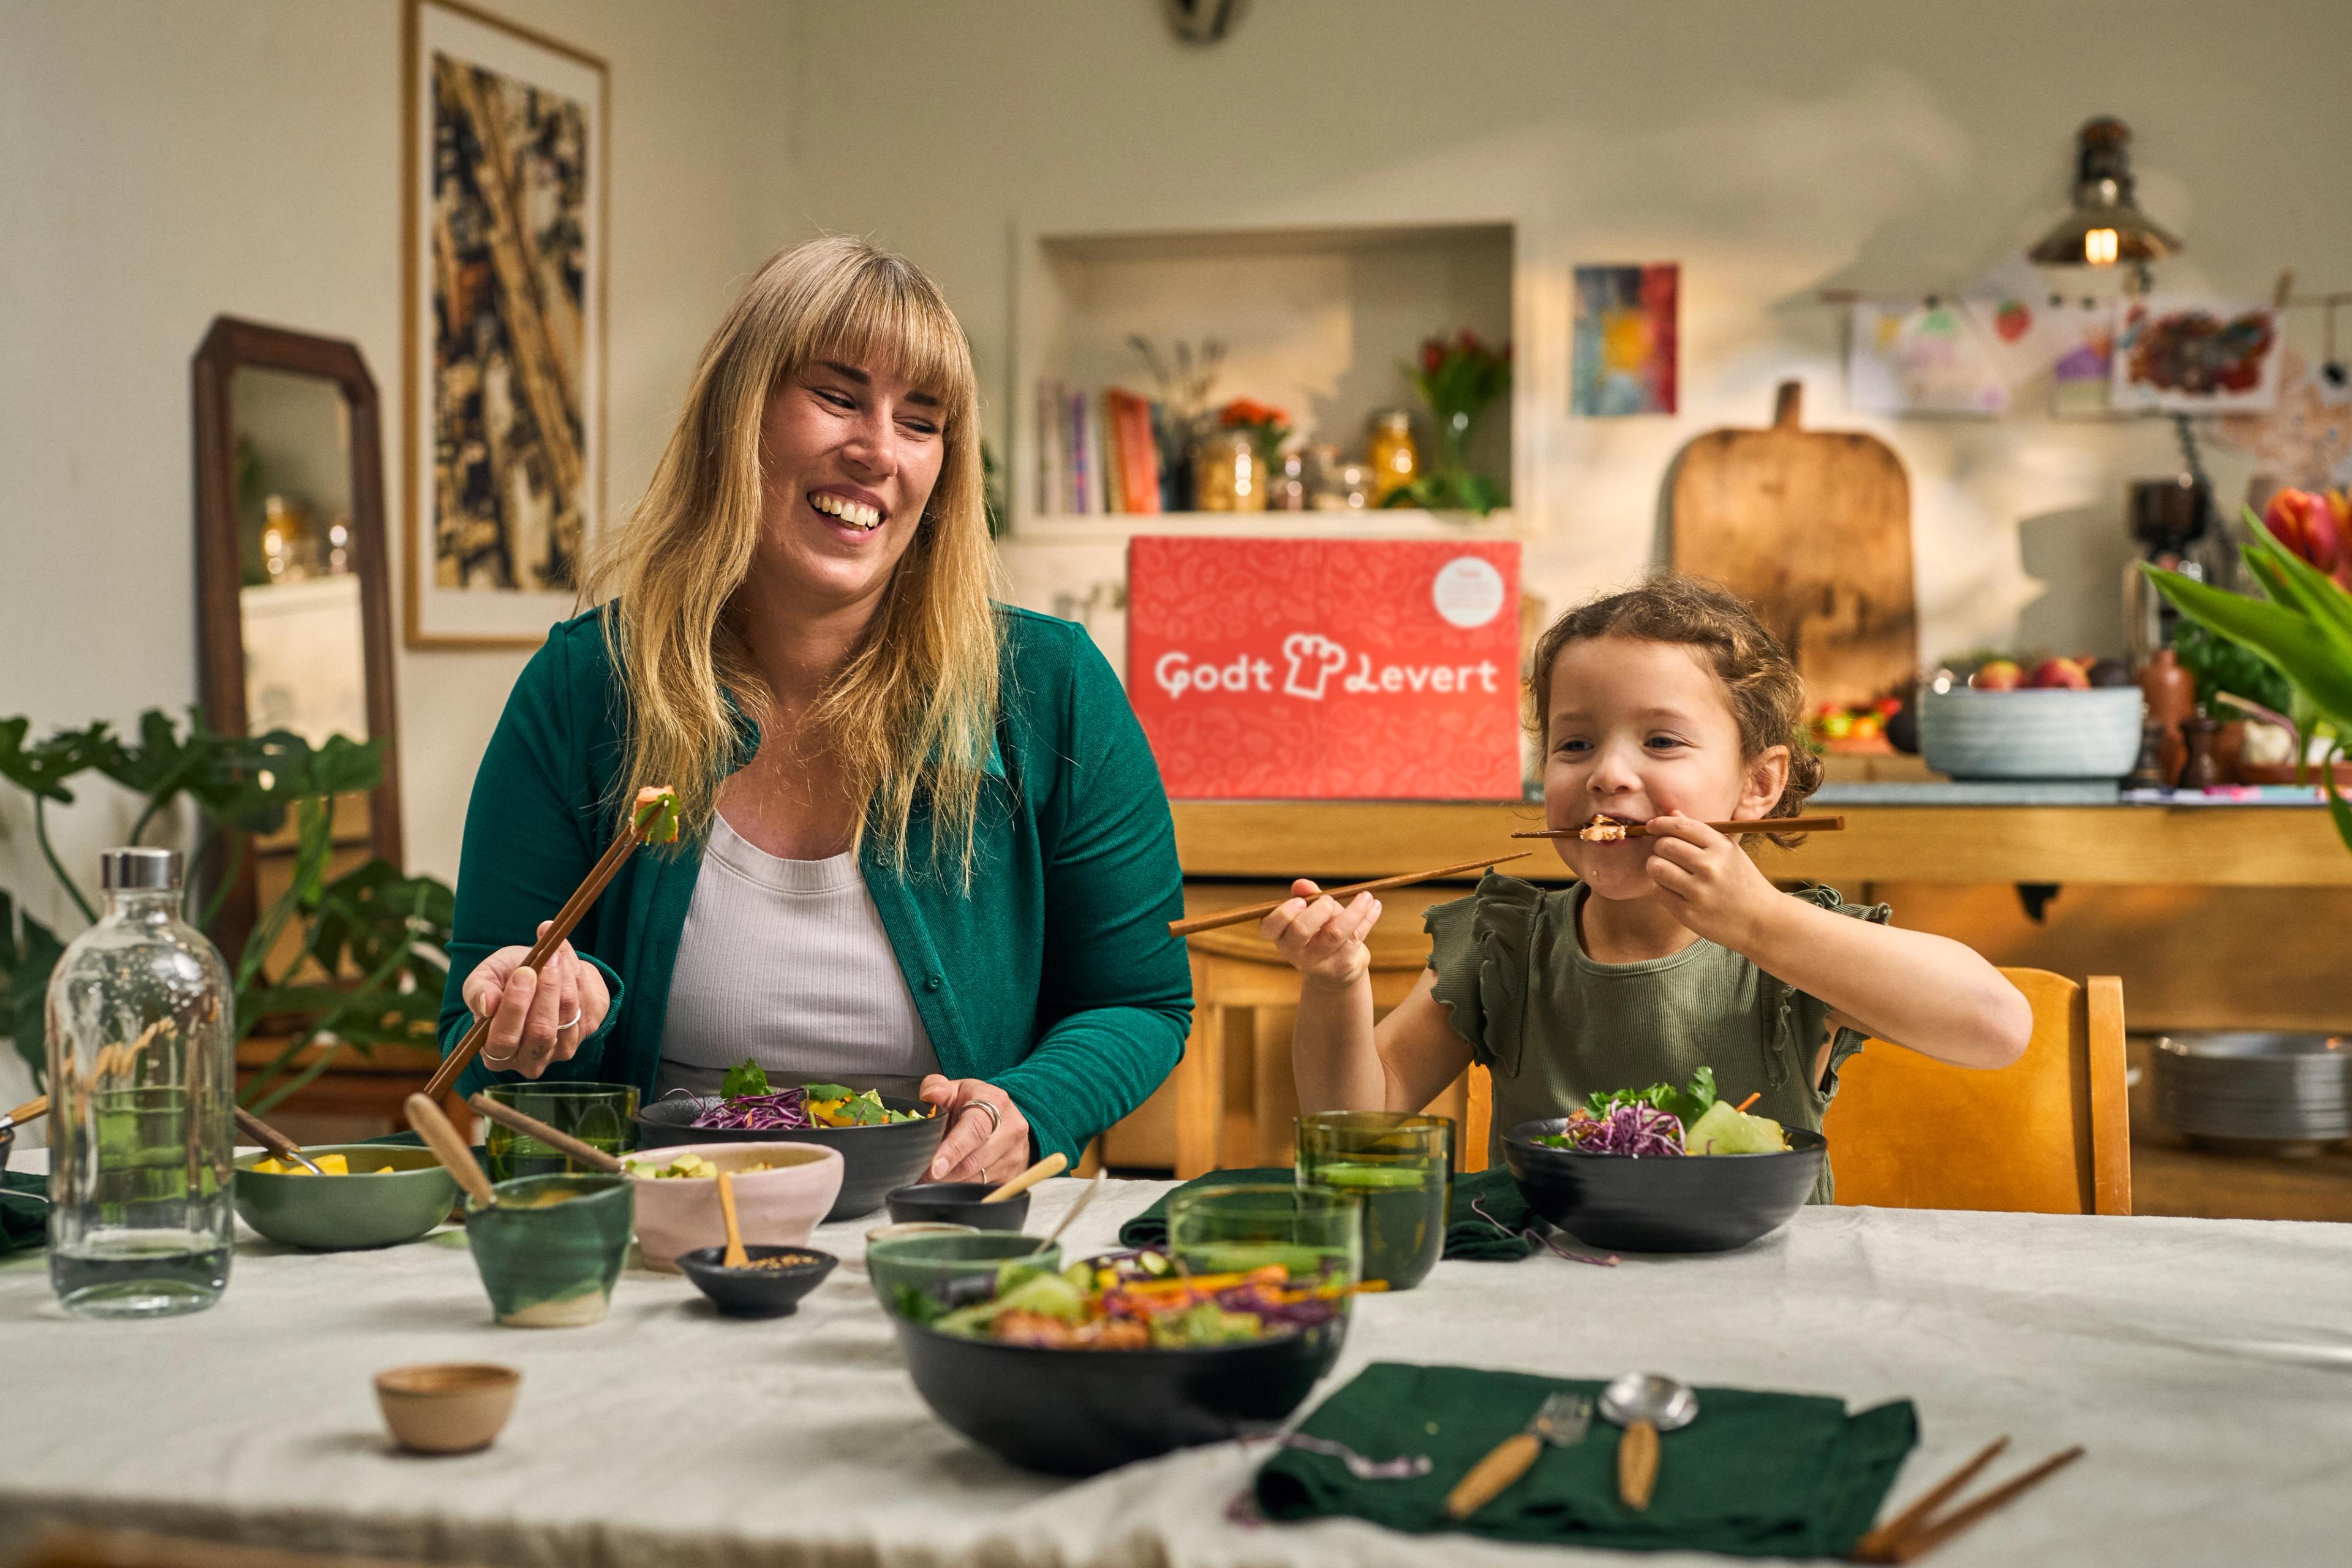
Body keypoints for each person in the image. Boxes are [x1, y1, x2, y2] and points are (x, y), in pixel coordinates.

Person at [439, 236, 1190, 1182]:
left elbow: (1143, 1003)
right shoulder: (588, 684)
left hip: (941, 1233)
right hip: (667, 1232)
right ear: (737, 414)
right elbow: (476, 1044)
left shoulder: (1048, 686)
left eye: (921, 422)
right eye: (836, 398)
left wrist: (1026, 1107)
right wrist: (537, 1017)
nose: (878, 450)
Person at [1264, 574, 2030, 1194]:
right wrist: (1336, 984)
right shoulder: (1506, 943)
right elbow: (1357, 1118)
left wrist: (1759, 922)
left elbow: (1998, 1027)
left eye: (1661, 740)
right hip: (1548, 1287)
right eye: (1575, 743)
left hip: (1761, 1300)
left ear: (1758, 783)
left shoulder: (1795, 947)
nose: (1607, 774)